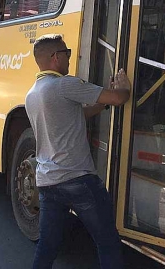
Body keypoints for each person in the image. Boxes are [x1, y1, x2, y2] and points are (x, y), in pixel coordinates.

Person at [25, 34, 131, 269]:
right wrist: (124, 89)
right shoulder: (65, 84)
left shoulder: (32, 93)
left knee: (47, 246)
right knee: (107, 242)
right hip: (78, 180)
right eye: (67, 53)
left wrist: (100, 105)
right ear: (55, 57)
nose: (69, 59)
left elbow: (74, 117)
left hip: (47, 183)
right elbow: (118, 98)